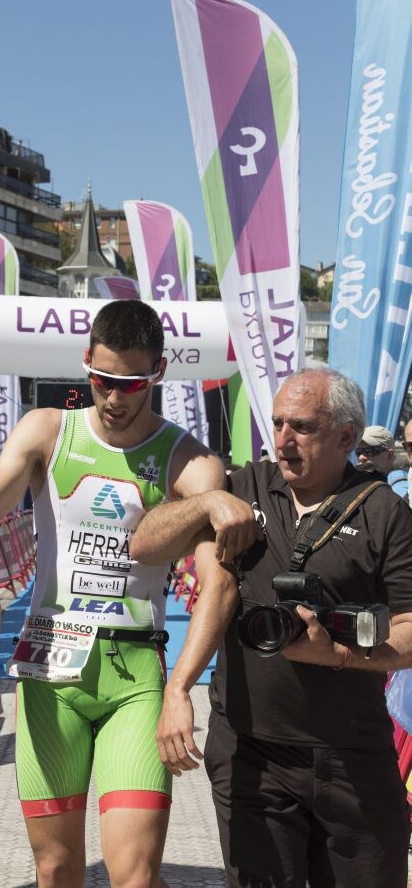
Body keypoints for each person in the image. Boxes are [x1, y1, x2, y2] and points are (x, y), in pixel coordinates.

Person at [0, 299, 259, 887]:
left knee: (134, 874)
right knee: (55, 869)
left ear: (157, 374)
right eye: (102, 380)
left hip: (134, 676)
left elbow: (219, 580)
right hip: (50, 671)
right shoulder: (48, 430)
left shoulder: (188, 459)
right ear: (86, 364)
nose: (115, 397)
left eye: (131, 383)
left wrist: (181, 686)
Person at [130, 368, 412, 888]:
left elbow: (409, 628)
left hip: (352, 755)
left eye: (302, 426)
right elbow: (144, 543)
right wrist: (207, 502)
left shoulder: (385, 513)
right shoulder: (243, 487)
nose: (283, 439)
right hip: (250, 751)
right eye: (278, 422)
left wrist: (341, 655)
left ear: (346, 437)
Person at [356, 424, 408, 497]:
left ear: (389, 455)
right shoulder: (356, 478)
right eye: (358, 451)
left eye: (370, 451)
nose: (361, 457)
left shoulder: (399, 484)